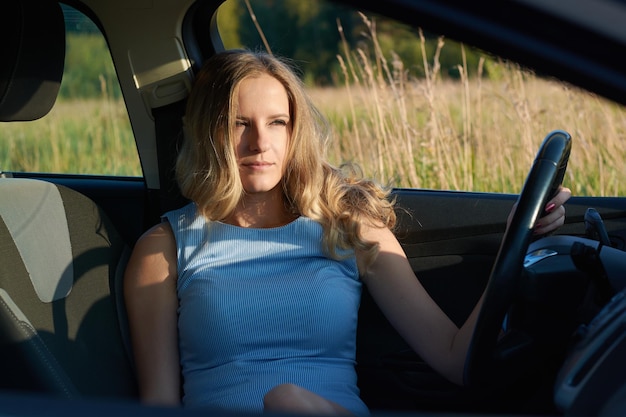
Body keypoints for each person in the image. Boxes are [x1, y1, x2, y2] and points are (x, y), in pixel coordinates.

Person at [123, 49, 571, 416]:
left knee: (289, 402)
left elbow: (455, 357)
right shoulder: (165, 249)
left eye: (277, 122)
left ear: (294, 131)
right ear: (209, 132)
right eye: (240, 124)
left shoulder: (348, 225)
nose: (260, 143)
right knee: (285, 401)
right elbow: (159, 405)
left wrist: (515, 243)